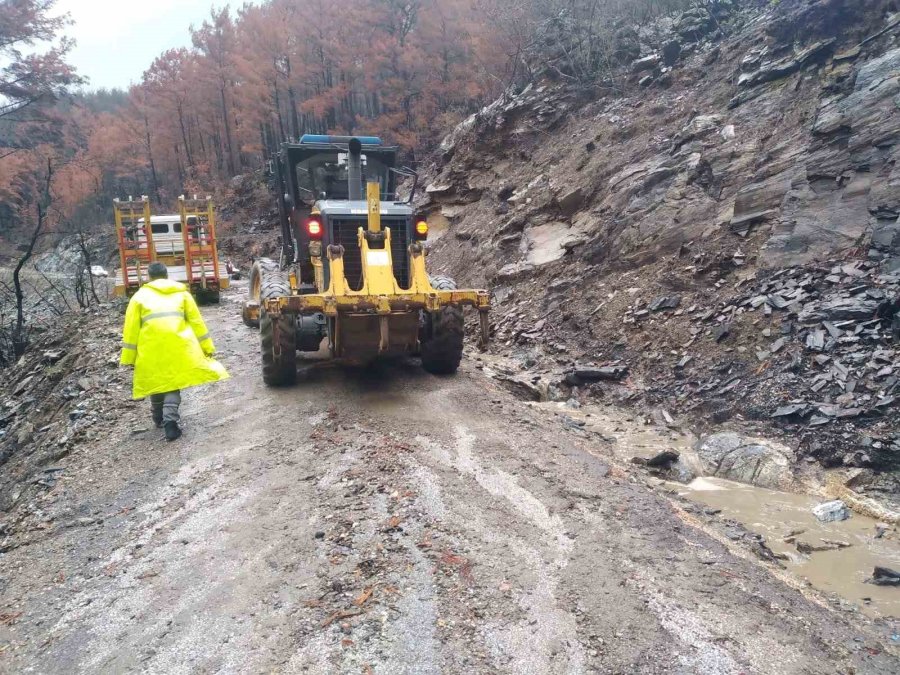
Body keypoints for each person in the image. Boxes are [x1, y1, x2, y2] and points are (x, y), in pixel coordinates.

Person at [119, 262, 229, 441]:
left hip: (151, 348)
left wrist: (129, 358)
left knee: (156, 380)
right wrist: (207, 348)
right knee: (172, 383)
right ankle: (170, 423)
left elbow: (131, 330)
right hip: (178, 346)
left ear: (149, 277)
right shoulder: (182, 293)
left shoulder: (138, 298)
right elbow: (197, 323)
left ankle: (158, 417)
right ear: (166, 275)